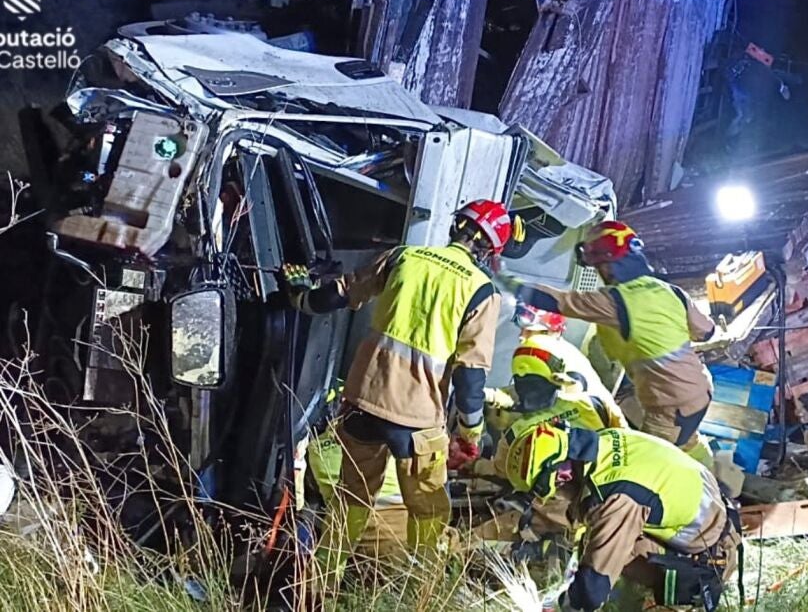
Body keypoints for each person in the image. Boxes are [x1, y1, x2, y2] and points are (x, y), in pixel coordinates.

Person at [280, 199, 511, 583]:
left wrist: (300, 294)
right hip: (416, 421)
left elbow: (337, 295)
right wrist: (471, 433)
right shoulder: (481, 290)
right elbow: (471, 373)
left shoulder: (404, 256)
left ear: (457, 226)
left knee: (351, 500)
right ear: (490, 250)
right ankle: (421, 590)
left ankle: (318, 584)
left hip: (363, 402)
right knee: (430, 511)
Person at [501, 221, 717, 467]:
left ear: (609, 264)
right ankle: (712, 475)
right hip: (700, 390)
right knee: (686, 440)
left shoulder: (616, 301)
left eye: (599, 266)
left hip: (669, 405)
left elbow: (559, 301)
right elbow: (706, 332)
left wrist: (506, 279)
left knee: (645, 466)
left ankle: (706, 489)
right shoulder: (671, 291)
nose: (599, 272)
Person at [504, 423, 741, 612]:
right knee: (597, 539)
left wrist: (564, 606)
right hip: (718, 511)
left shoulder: (615, 499)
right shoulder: (606, 439)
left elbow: (592, 589)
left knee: (604, 554)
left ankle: (641, 602)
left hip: (712, 555)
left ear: (561, 476)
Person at [489, 334, 627, 559]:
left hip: (562, 509)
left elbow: (503, 472)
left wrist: (477, 465)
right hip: (612, 486)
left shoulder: (516, 430)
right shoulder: (591, 402)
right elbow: (622, 433)